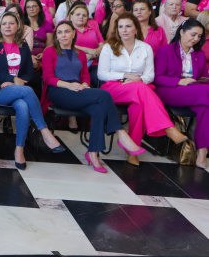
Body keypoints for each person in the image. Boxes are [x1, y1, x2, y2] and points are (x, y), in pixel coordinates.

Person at [43, 21, 145, 172]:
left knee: (98, 110)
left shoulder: (81, 54)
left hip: (78, 90)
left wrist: (84, 84)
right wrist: (69, 85)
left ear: (73, 34)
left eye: (66, 31)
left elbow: (85, 76)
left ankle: (93, 153)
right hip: (59, 91)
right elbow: (48, 78)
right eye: (59, 32)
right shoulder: (50, 51)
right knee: (104, 95)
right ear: (56, 36)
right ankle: (121, 134)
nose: (63, 35)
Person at [97, 13, 189, 165]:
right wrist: (125, 75)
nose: (124, 30)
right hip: (114, 88)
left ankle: (132, 149)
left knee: (139, 107)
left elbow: (149, 75)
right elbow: (102, 74)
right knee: (141, 89)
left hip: (139, 89)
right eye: (120, 27)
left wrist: (139, 79)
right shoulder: (108, 47)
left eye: (128, 26)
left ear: (136, 28)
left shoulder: (145, 48)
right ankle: (168, 128)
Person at [0, 12, 66, 169]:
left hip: (17, 90)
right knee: (28, 92)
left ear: (18, 26)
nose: (8, 26)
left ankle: (19, 149)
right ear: (0, 26)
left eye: (11, 23)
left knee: (23, 105)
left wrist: (18, 83)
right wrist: (11, 80)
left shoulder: (23, 47)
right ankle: (45, 131)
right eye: (5, 23)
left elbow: (28, 72)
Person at [154, 19, 209, 169]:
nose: (196, 39)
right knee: (206, 92)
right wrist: (179, 82)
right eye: (193, 34)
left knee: (206, 109)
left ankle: (202, 154)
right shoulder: (166, 50)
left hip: (195, 94)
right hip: (170, 90)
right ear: (182, 32)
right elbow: (157, 77)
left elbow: (203, 78)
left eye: (199, 36)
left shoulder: (199, 54)